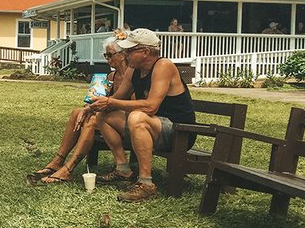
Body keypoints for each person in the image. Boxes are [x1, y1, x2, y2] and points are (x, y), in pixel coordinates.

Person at [86, 28, 196, 202]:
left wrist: (111, 103)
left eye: (130, 50)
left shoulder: (163, 66)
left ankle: (146, 184)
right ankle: (123, 169)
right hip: (152, 125)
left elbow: (151, 106)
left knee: (137, 116)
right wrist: (97, 106)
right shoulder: (133, 69)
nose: (126, 55)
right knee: (104, 116)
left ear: (145, 52)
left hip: (178, 131)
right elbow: (116, 98)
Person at [32, 32, 129, 184]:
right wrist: (91, 104)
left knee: (91, 120)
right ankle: (59, 160)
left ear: (123, 55)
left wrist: (101, 107)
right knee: (77, 112)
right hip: (110, 116)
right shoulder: (110, 77)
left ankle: (68, 169)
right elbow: (100, 99)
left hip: (126, 120)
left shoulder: (132, 76)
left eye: (110, 55)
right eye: (105, 55)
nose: (107, 59)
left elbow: (132, 105)